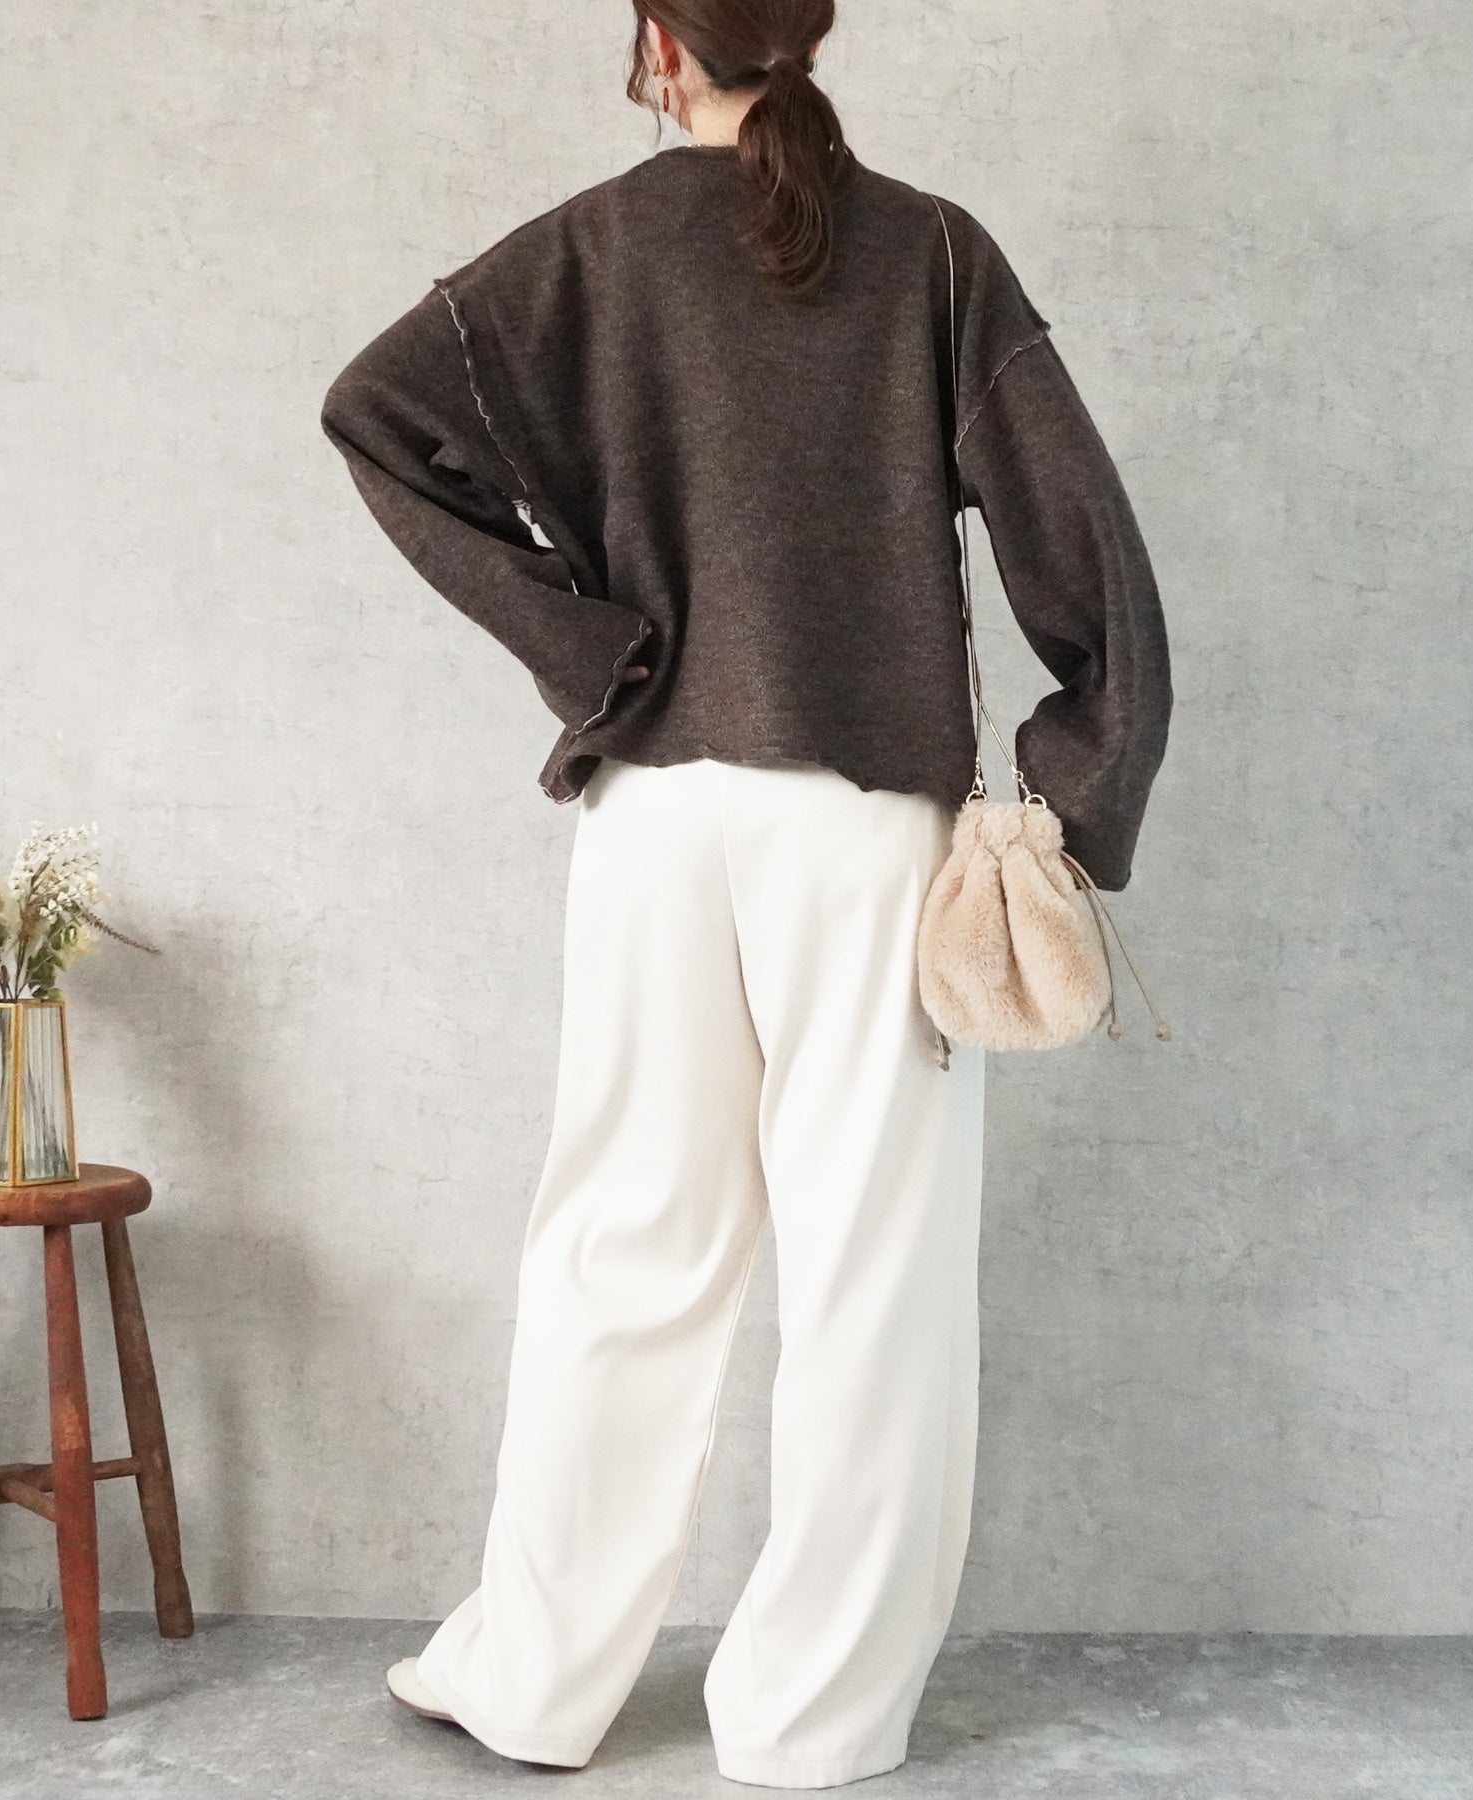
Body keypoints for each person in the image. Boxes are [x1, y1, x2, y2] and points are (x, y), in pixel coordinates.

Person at [319, 0, 1171, 1787]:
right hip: (863, 826)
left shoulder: (590, 251)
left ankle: (534, 1679)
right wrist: (1073, 793)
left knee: (621, 1249)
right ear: (810, 34)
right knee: (875, 1272)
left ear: (658, 43)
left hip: (654, 816)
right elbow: (1090, 554)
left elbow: (376, 412)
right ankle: (812, 1720)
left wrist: (596, 653)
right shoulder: (934, 256)